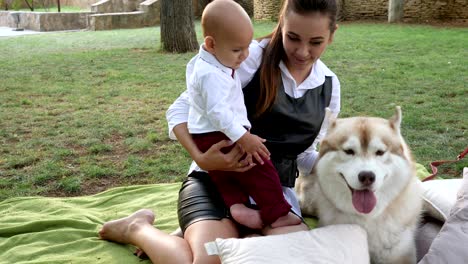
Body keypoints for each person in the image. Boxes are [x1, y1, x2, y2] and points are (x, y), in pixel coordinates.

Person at [98, 0, 341, 263]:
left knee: (289, 258)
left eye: (315, 42)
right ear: (281, 25)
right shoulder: (247, 57)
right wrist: (201, 158)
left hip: (272, 194)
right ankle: (137, 228)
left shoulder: (328, 86)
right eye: (292, 37)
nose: (302, 52)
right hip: (215, 181)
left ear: (331, 36)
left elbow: (305, 155)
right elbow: (178, 112)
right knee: (207, 262)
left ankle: (233, 236)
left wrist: (349, 172)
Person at [187, 0, 301, 230]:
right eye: (237, 50)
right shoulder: (212, 75)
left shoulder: (207, 62)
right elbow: (217, 111)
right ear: (211, 44)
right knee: (260, 164)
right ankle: (277, 211)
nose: (244, 55)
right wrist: (243, 137)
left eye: (247, 46)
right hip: (221, 134)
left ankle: (237, 206)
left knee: (227, 176)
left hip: (206, 135)